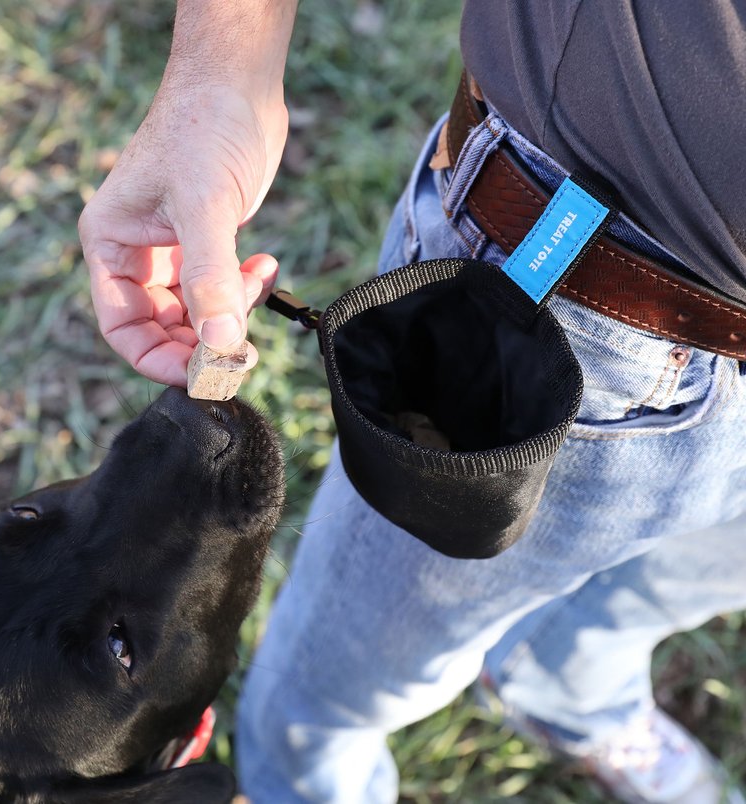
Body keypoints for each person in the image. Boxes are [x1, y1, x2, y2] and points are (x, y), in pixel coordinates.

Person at [79, 2, 746, 803]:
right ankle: (305, 780)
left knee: (690, 575)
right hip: (573, 289)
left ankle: (569, 684)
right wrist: (224, 69)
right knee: (350, 677)